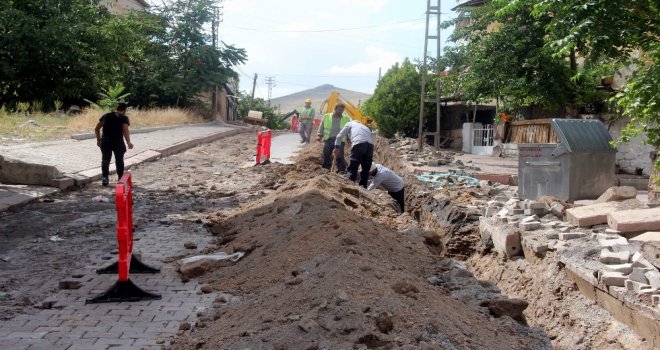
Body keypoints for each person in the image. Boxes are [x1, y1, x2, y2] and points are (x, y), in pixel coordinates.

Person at [94, 103, 133, 186]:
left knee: (105, 160)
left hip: (106, 142)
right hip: (118, 142)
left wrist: (98, 139)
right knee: (119, 160)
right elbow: (125, 129)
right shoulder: (124, 118)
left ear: (117, 108)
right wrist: (128, 142)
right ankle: (120, 179)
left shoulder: (106, 116)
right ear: (125, 110)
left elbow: (97, 128)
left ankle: (105, 178)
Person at [334, 119, 373, 188]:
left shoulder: (350, 124)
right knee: (366, 167)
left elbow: (339, 136)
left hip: (359, 144)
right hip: (370, 146)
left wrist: (336, 148)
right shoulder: (365, 127)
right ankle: (363, 186)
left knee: (353, 166)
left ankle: (349, 184)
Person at [317, 103, 350, 172]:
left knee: (340, 155)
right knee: (326, 153)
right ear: (335, 109)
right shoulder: (326, 116)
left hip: (340, 140)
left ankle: (341, 170)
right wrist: (319, 135)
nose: (341, 111)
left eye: (342, 110)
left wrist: (348, 138)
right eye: (339, 110)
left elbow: (348, 130)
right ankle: (326, 168)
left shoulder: (346, 118)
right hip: (328, 139)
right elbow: (321, 126)